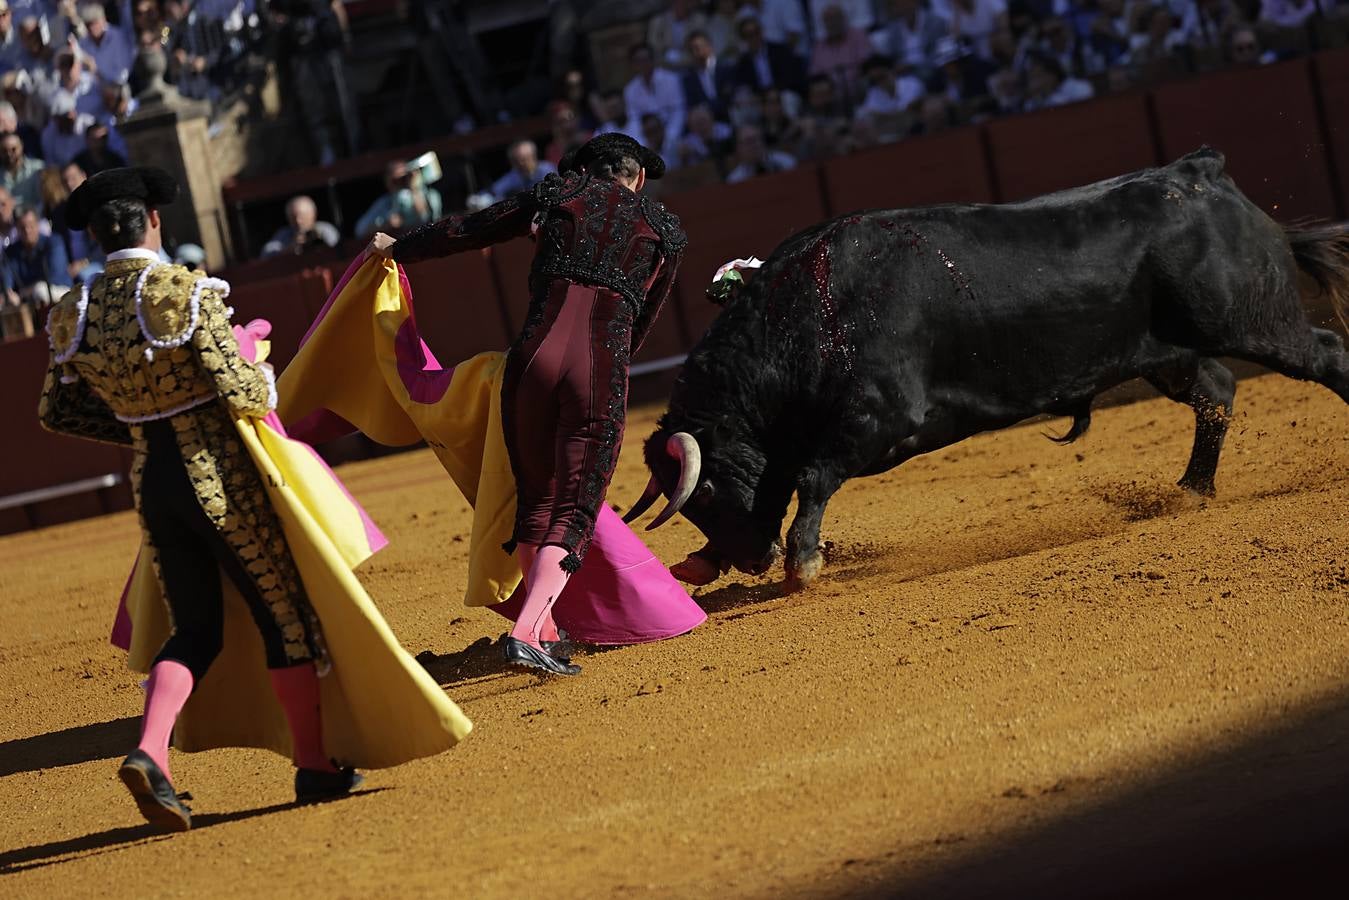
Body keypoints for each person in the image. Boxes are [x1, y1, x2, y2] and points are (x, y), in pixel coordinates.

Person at [38, 166, 471, 831]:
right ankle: (314, 766)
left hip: (152, 485)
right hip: (220, 481)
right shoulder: (184, 291)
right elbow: (244, 393)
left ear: (96, 236)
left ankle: (152, 750)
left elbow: (58, 412)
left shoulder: (75, 310)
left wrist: (137, 420)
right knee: (286, 618)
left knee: (196, 628)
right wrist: (252, 357)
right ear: (154, 220)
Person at [365, 133, 687, 677]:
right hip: (597, 369)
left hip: (530, 363)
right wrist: (604, 380)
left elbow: (468, 229)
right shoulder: (664, 229)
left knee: (534, 497)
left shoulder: (557, 194)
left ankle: (546, 628)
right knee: (575, 507)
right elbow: (642, 323)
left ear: (587, 170)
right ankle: (527, 631)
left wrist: (398, 248)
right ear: (636, 178)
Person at [353, 158, 442, 239]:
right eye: (394, 181)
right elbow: (360, 230)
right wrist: (384, 225)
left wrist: (414, 190)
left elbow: (426, 220)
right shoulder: (384, 202)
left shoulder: (430, 196)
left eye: (403, 179)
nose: (399, 184)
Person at [3, 203, 68, 307]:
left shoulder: (54, 243)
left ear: (37, 224)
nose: (27, 231)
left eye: (30, 225)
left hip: (60, 293)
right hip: (26, 299)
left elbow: (54, 277)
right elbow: (8, 284)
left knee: (40, 291)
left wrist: (24, 293)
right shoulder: (11, 252)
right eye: (22, 227)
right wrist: (9, 294)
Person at [260, 194, 340, 257]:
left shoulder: (324, 229)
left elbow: (338, 247)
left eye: (302, 216)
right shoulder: (284, 234)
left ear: (313, 214)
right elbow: (266, 254)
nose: (298, 221)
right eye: (293, 217)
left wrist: (318, 241)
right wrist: (290, 248)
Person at [489, 139, 556, 201]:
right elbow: (495, 191)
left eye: (526, 158)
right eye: (517, 160)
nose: (522, 163)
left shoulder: (547, 169)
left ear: (534, 156)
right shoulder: (513, 176)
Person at [1, 129, 42, 209]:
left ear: (21, 147)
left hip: (35, 217)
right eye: (4, 151)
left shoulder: (38, 168)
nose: (9, 154)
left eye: (13, 149)